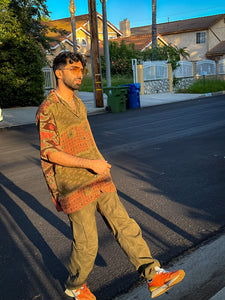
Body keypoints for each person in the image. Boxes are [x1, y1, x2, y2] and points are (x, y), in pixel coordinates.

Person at [36, 51, 185, 299]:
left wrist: (99, 163)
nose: (79, 74)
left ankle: (154, 275)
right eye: (73, 69)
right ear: (58, 72)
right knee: (87, 244)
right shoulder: (47, 109)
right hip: (74, 187)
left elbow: (88, 141)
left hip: (100, 178)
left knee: (126, 226)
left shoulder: (78, 104)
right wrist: (82, 170)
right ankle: (76, 287)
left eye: (81, 70)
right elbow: (49, 152)